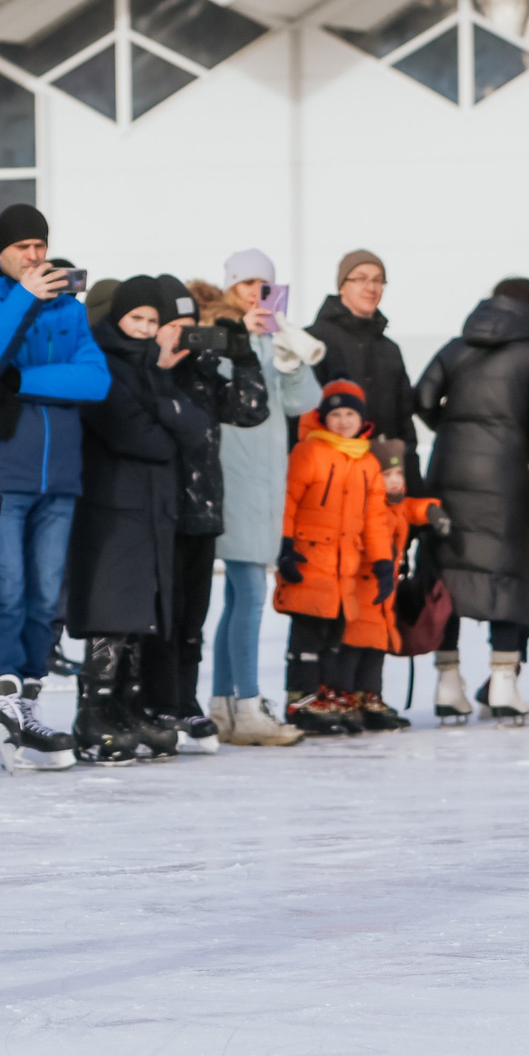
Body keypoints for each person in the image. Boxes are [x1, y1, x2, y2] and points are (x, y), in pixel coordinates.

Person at [0, 201, 106, 773]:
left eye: (40, 246)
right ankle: (1, 692)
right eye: (24, 246)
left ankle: (27, 697)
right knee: (7, 585)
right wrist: (25, 297)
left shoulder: (68, 306)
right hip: (5, 467)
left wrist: (25, 381)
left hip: (60, 474)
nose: (35, 255)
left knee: (46, 595)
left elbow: (95, 380)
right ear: (1, 250)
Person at [61, 277, 211, 762]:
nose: (145, 329)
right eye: (137, 319)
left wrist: (164, 412)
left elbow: (195, 427)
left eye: (153, 321)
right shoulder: (102, 360)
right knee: (113, 612)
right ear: (118, 318)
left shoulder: (153, 367)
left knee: (138, 617)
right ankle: (94, 710)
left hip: (150, 510)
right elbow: (136, 435)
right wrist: (165, 420)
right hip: (113, 511)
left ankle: (125, 703)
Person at [413, 279, 529, 724]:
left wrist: (453, 428)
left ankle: (448, 683)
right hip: (504, 479)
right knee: (506, 574)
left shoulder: (454, 347)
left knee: (447, 578)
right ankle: (504, 681)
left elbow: (422, 399)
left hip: (447, 474)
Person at [143, 274, 267, 749]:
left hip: (201, 510)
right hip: (159, 511)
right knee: (163, 617)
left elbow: (251, 410)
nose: (186, 335)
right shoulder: (147, 368)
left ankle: (185, 700)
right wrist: (159, 363)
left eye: (191, 325)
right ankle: (158, 700)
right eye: (175, 325)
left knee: (192, 617)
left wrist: (244, 355)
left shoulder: (201, 370)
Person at [206, 254, 322, 746]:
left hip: (264, 484)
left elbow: (302, 402)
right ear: (231, 286)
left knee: (239, 598)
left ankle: (224, 706)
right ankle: (246, 705)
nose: (257, 292)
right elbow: (218, 386)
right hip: (234, 479)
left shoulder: (273, 336)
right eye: (248, 282)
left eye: (266, 284)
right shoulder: (218, 330)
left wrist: (289, 358)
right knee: (250, 595)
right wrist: (246, 338)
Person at [276, 381, 404, 735]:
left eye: (350, 414)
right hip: (308, 562)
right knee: (307, 637)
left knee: (333, 637)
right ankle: (300, 702)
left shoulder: (366, 462)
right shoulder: (309, 452)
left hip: (344, 567)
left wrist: (381, 563)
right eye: (336, 414)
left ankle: (327, 699)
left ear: (361, 419)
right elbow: (286, 502)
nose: (344, 421)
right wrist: (284, 546)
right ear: (323, 418)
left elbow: (375, 520)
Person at [307, 250, 415, 453]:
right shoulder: (313, 341)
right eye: (361, 279)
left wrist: (409, 473)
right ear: (342, 287)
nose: (370, 287)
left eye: (378, 280)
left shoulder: (389, 349)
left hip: (383, 468)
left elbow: (404, 421)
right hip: (330, 470)